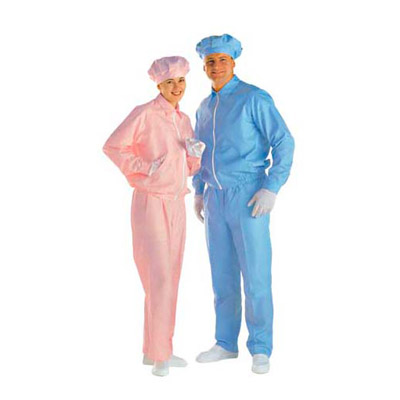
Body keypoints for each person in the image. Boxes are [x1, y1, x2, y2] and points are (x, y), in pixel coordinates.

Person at [192, 34, 295, 374]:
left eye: (222, 60)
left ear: (233, 62)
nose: (216, 66)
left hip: (248, 196)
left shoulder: (254, 98)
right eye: (210, 61)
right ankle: (225, 343)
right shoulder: (204, 108)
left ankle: (261, 347)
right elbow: (199, 152)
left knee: (255, 276)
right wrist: (198, 190)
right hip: (214, 198)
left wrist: (271, 188)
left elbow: (284, 141)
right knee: (221, 276)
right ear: (204, 67)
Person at [103, 56, 205, 377]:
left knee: (170, 276)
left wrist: (194, 156)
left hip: (176, 203)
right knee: (158, 277)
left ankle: (155, 349)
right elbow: (113, 147)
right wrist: (144, 168)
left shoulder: (183, 120)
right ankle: (162, 355)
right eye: (169, 82)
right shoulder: (145, 114)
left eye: (181, 81)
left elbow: (187, 169)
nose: (177, 87)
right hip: (150, 202)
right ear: (159, 84)